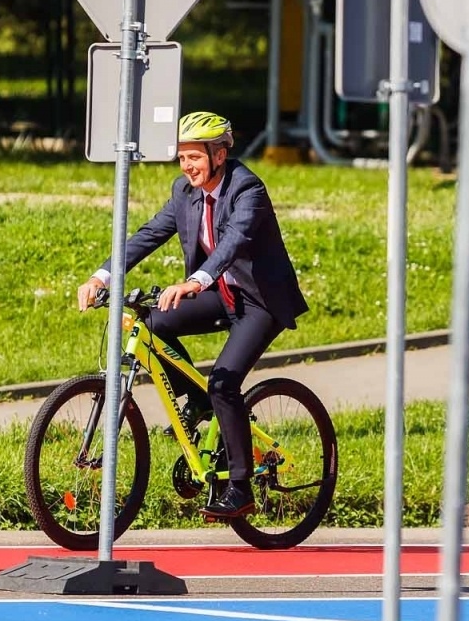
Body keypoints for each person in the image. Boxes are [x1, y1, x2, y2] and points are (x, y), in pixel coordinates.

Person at [76, 111, 308, 519]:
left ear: (219, 155)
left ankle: (240, 485)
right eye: (182, 158)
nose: (187, 166)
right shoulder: (184, 192)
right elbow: (148, 234)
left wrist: (197, 280)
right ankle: (199, 399)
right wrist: (101, 275)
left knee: (224, 382)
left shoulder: (247, 188)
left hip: (260, 301)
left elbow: (233, 242)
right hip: (221, 293)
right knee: (153, 323)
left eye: (195, 157)